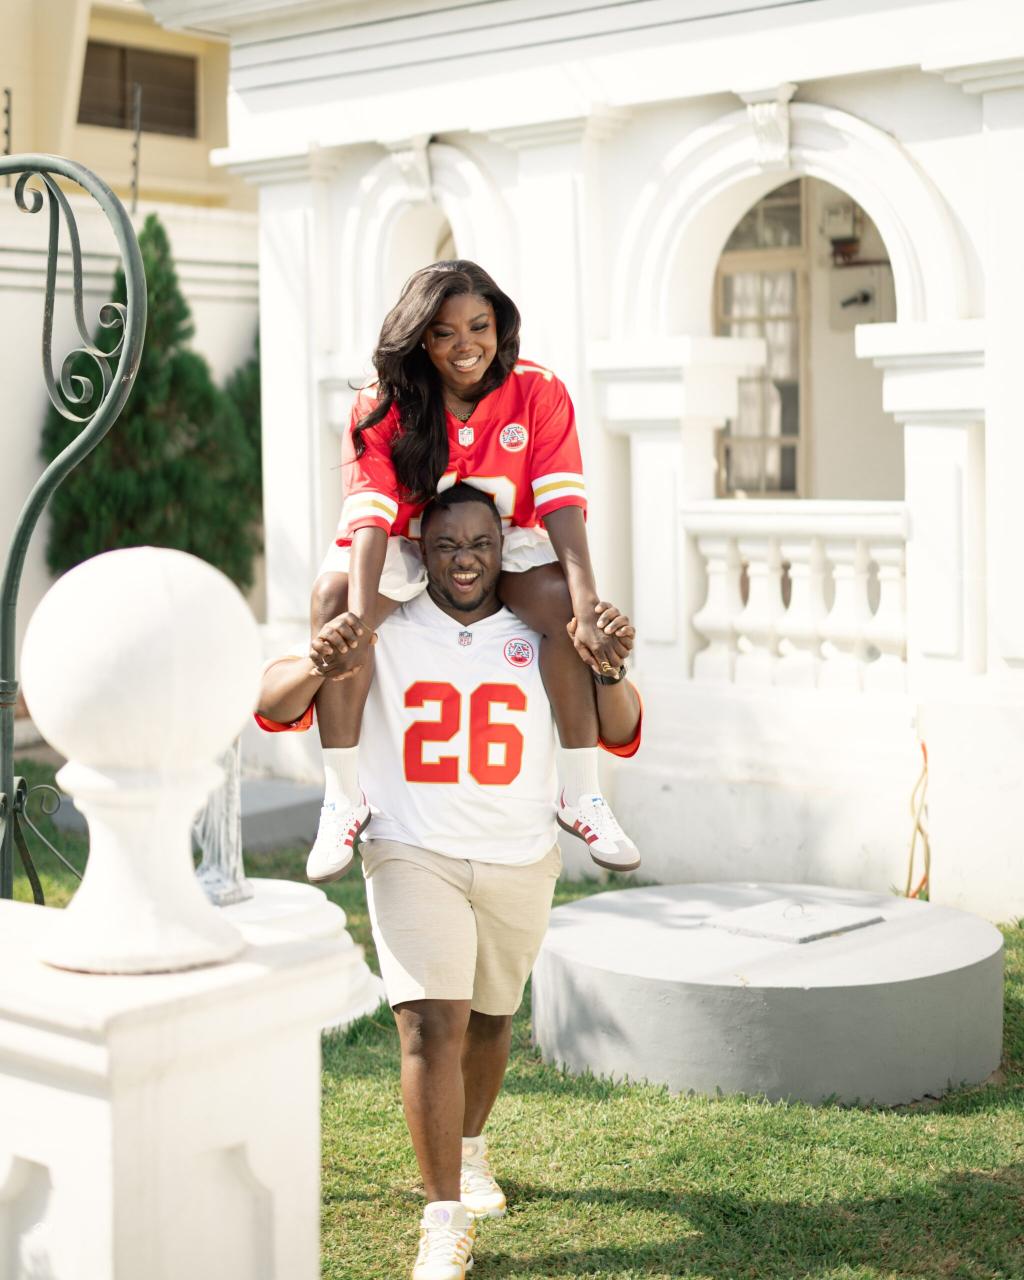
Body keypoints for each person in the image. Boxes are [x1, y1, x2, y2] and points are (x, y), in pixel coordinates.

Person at [256, 484, 642, 1280]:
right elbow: (270, 703)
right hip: (411, 847)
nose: (465, 562)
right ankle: (442, 1220)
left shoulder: (543, 629)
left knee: (492, 1020)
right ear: (417, 553)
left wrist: (611, 668)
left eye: (481, 545)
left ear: (506, 549)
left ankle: (469, 1149)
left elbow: (624, 727)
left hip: (517, 851)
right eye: (446, 546)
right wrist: (316, 657)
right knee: (433, 1024)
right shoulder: (384, 625)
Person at [305, 259, 639, 887]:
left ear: (499, 324)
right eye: (444, 333)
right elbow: (371, 512)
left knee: (563, 603)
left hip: (503, 535)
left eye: (479, 326)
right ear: (420, 339)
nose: (466, 346)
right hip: (408, 538)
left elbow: (562, 502)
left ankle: (581, 793)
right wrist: (358, 616)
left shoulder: (538, 390)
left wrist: (588, 606)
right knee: (334, 599)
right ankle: (343, 798)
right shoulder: (382, 401)